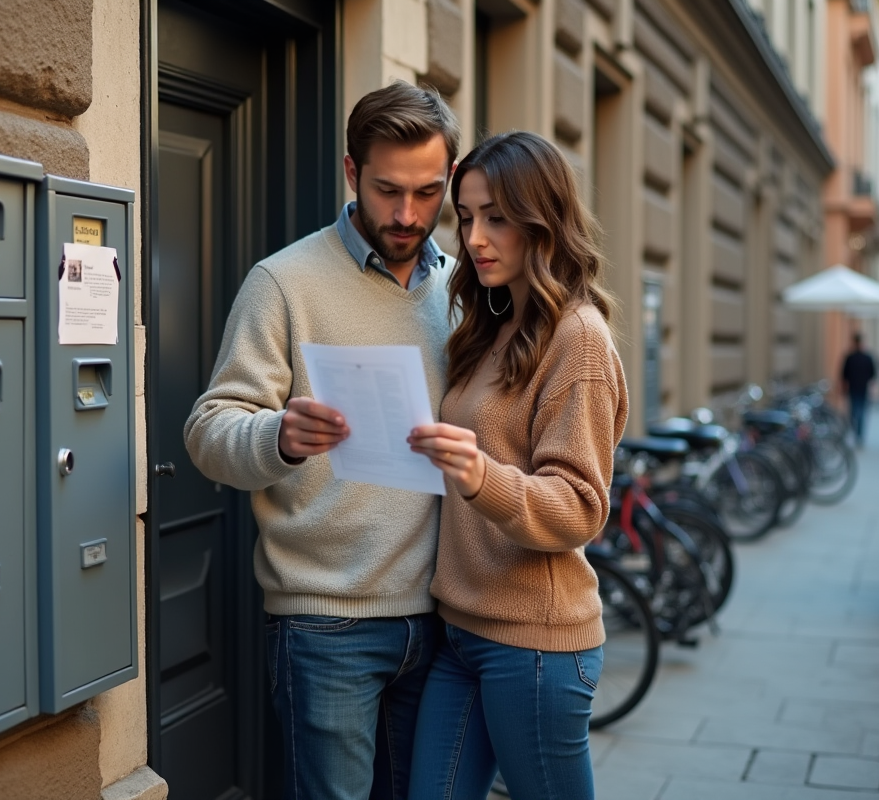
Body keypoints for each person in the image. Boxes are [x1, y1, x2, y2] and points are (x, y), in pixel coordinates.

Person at [183, 81, 460, 800]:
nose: (406, 215)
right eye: (386, 190)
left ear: (451, 179)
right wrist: (279, 435)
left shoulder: (463, 292)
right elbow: (209, 432)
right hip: (325, 625)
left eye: (428, 192)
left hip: (446, 618)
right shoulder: (283, 282)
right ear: (350, 172)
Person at [404, 131, 628, 800]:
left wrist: (480, 477)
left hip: (536, 649)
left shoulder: (578, 337)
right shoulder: (492, 322)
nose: (474, 236)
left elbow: (581, 506)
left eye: (497, 216)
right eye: (466, 216)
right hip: (462, 632)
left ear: (542, 218)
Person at [840, 332, 876, 447]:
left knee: (855, 412)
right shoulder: (866, 357)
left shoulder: (850, 357)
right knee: (860, 412)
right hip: (861, 388)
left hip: (854, 388)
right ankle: (859, 435)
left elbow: (843, 375)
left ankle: (857, 434)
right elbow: (872, 374)